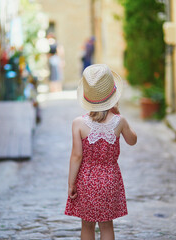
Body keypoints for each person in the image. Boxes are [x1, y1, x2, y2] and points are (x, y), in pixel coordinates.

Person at [65, 64, 137, 240]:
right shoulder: (119, 121)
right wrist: (120, 116)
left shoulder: (78, 124)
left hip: (86, 179)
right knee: (107, 225)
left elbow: (77, 156)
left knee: (87, 225)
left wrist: (71, 183)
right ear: (112, 96)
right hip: (111, 179)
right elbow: (132, 140)